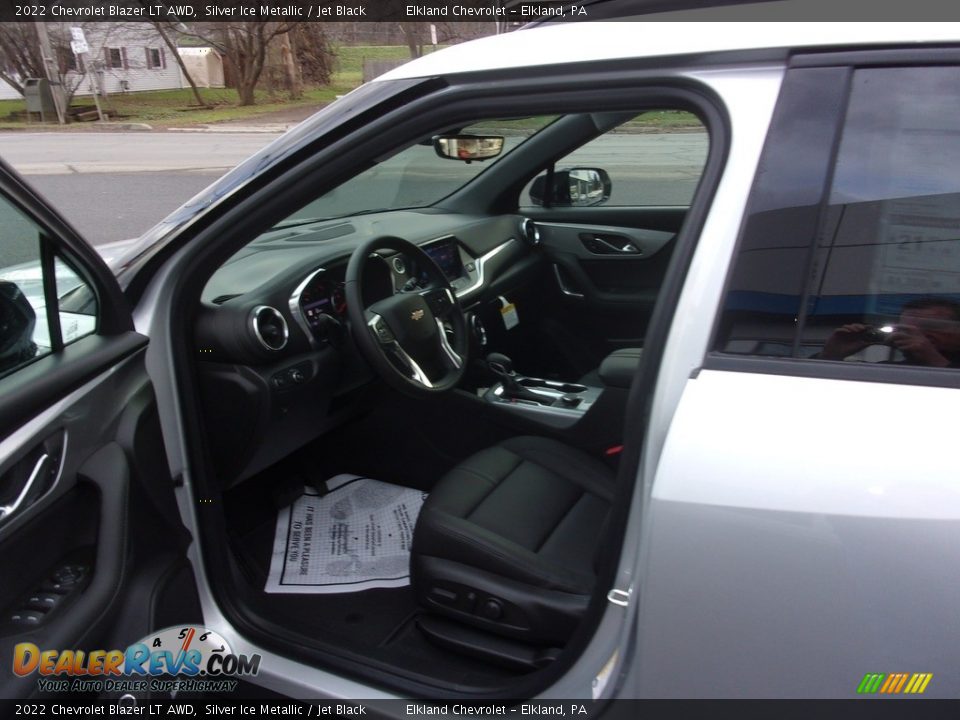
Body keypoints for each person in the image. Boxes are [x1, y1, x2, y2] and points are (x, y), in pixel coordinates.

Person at [819, 297, 960, 367]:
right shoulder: (889, 370)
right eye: (905, 329)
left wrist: (933, 359)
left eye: (930, 326)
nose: (918, 336)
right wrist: (830, 356)